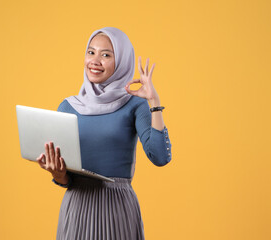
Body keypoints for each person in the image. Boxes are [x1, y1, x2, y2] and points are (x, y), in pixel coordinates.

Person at [36, 27, 172, 240]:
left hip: (117, 207)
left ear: (121, 62)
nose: (95, 60)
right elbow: (65, 179)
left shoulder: (134, 105)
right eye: (91, 52)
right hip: (77, 206)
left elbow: (160, 157)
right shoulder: (67, 107)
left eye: (106, 55)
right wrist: (56, 172)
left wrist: (154, 102)